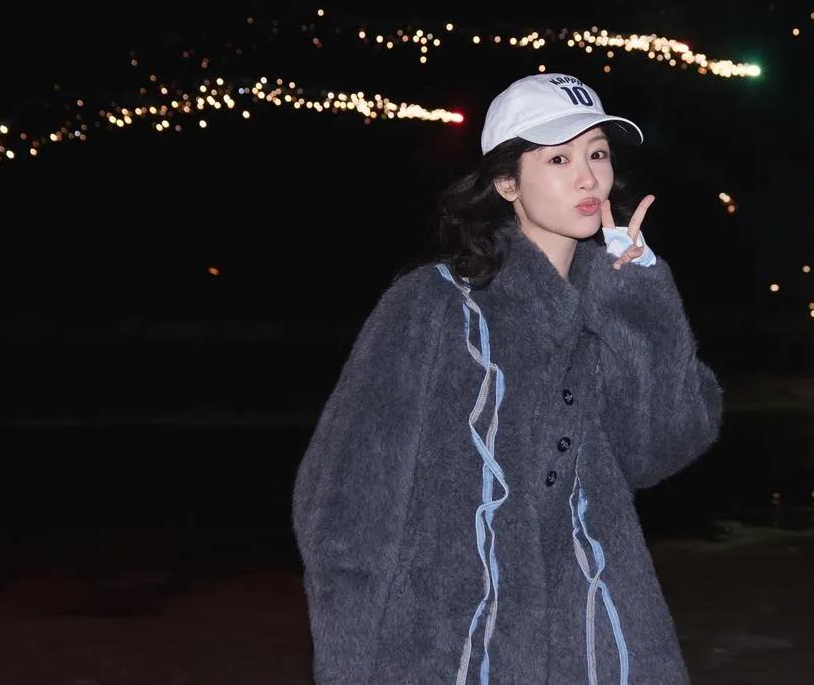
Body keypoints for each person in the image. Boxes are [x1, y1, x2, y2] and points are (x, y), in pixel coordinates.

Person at [292, 72, 724, 683]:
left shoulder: (613, 302)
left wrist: (639, 297)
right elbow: (346, 503)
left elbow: (659, 447)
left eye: (597, 154)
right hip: (452, 643)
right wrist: (349, 663)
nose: (588, 177)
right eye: (558, 159)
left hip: (597, 633)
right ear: (506, 182)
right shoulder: (435, 305)